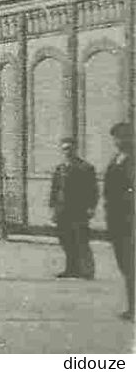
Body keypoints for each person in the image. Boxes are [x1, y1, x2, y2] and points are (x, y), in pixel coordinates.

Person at [50, 136, 99, 279]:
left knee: (81, 240)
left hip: (78, 210)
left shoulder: (85, 168)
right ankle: (71, 269)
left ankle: (87, 271)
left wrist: (91, 207)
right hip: (62, 210)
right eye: (64, 149)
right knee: (66, 240)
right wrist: (53, 208)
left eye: (70, 148)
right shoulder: (60, 169)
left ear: (75, 149)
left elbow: (93, 190)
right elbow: (55, 189)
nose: (67, 152)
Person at [104, 122, 133, 320]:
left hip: (130, 219)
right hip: (117, 220)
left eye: (123, 137)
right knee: (125, 265)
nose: (119, 141)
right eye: (116, 137)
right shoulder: (116, 159)